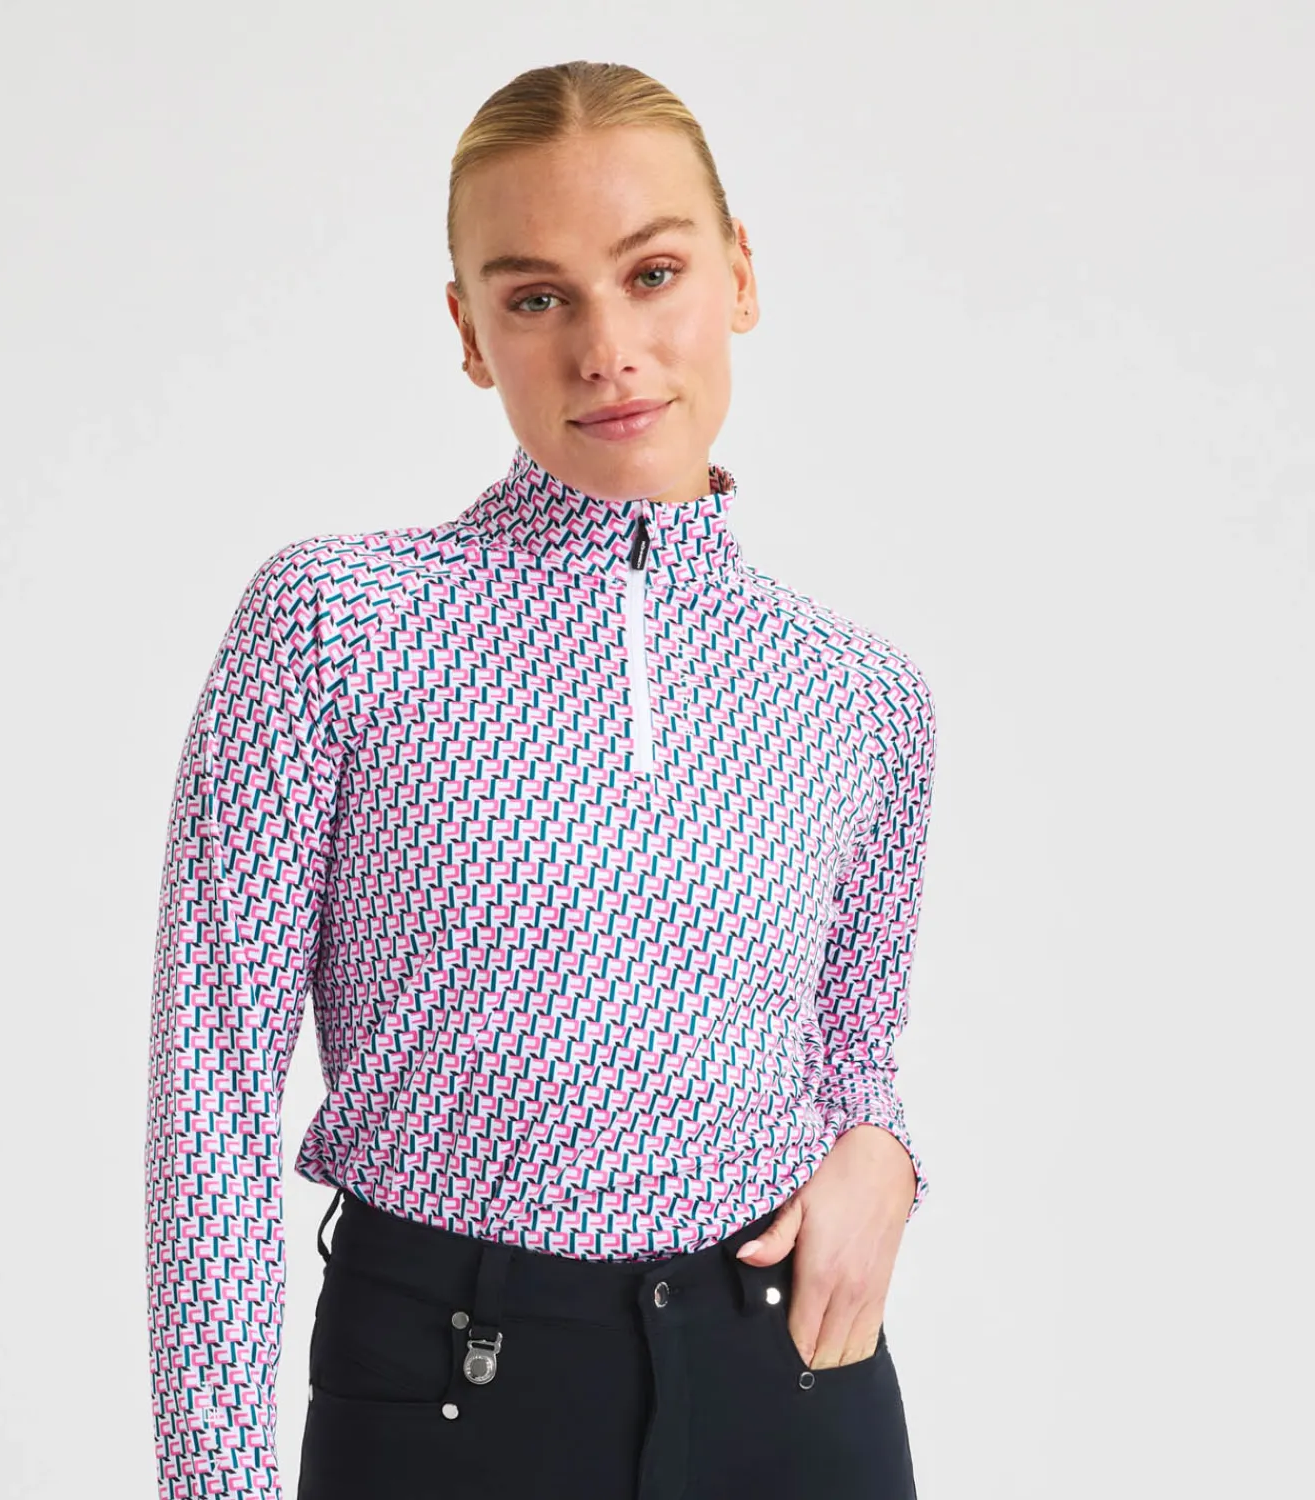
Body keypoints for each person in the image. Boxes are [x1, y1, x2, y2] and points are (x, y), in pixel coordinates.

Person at [145, 58, 938, 1500]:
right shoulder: (336, 627)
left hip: (791, 1391)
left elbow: (853, 1047)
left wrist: (882, 1149)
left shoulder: (861, 695)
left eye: (653, 274)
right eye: (536, 298)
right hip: (451, 1393)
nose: (607, 349)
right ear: (469, 331)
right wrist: (214, 1478)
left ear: (740, 274)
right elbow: (212, 1089)